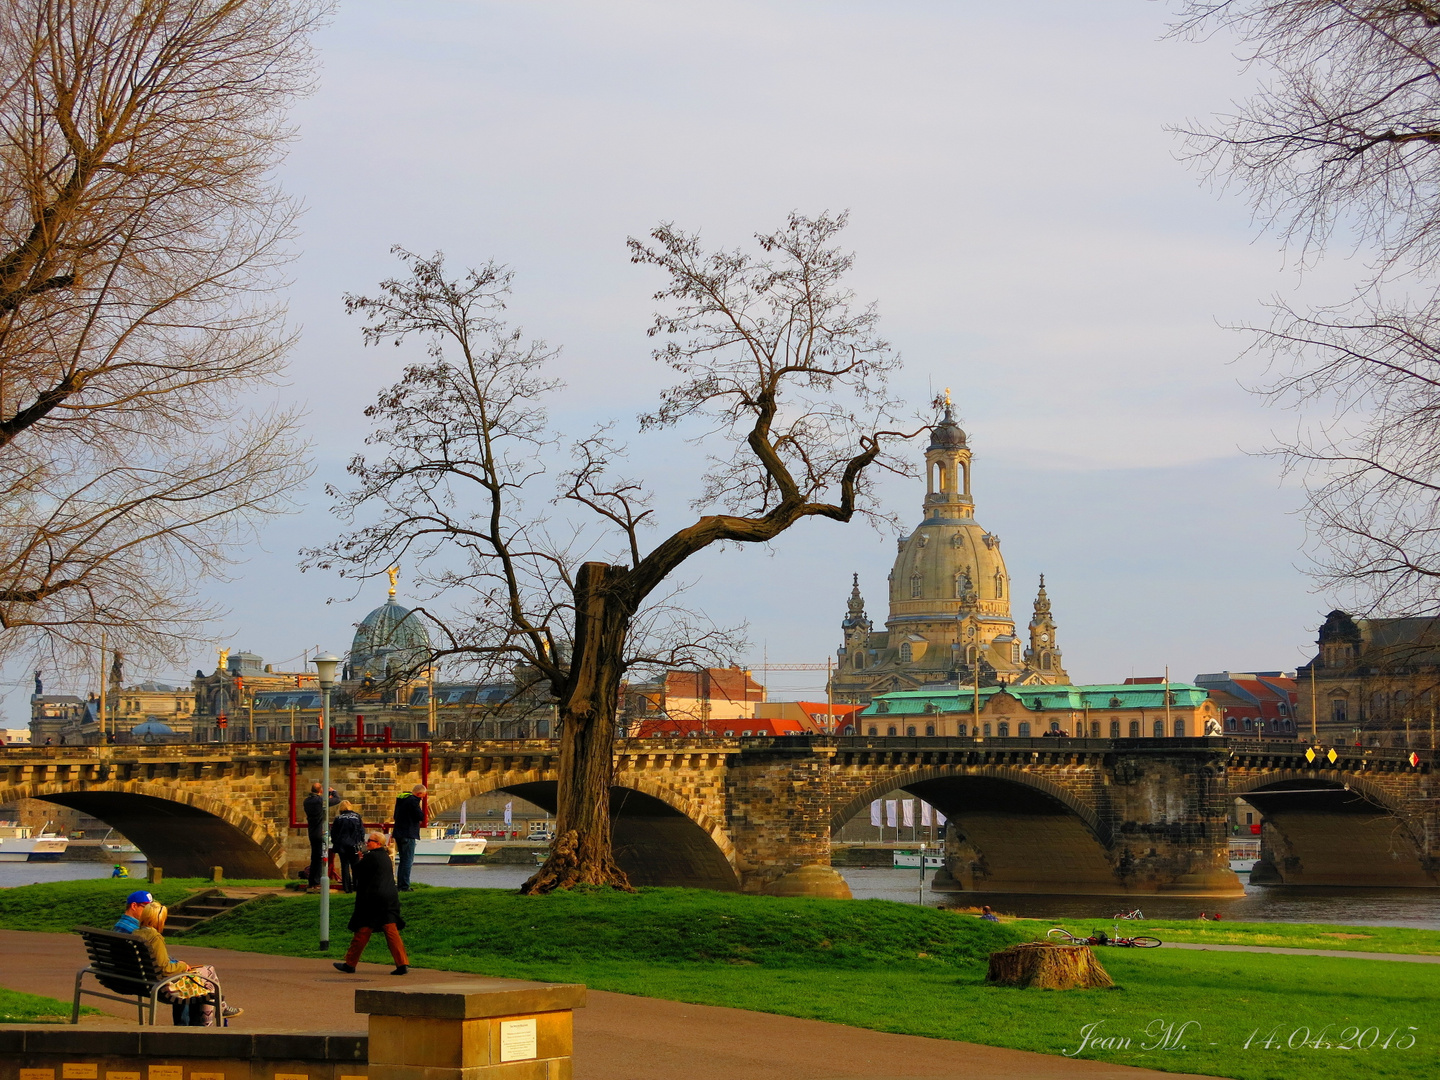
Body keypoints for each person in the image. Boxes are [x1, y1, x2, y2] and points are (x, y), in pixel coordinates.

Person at [131, 901, 241, 1025]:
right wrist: (183, 966)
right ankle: (215, 1016)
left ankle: (220, 1009)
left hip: (145, 983)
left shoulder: (136, 934)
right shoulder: (155, 938)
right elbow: (165, 968)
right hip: (165, 987)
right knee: (209, 973)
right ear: (159, 919)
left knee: (206, 986)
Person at [333, 832, 408, 976]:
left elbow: (358, 872)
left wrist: (356, 858)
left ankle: (350, 963)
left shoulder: (371, 857)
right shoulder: (384, 857)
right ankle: (402, 963)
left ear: (378, 843)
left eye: (370, 841)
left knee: (362, 930)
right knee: (390, 930)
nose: (367, 843)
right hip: (389, 897)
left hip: (373, 899)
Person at [303, 781, 339, 892]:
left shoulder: (307, 801)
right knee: (320, 858)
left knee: (315, 857)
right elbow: (337, 800)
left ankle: (312, 881)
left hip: (312, 832)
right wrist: (333, 791)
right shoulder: (320, 801)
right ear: (320, 791)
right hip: (321, 832)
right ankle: (317, 881)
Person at [390, 784, 426, 891]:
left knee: (402, 860)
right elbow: (420, 816)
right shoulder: (413, 801)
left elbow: (395, 816)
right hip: (409, 834)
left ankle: (400, 885)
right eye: (422, 796)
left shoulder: (401, 800)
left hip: (399, 833)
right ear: (419, 793)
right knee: (408, 861)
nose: (422, 798)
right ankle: (405, 886)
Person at [330, 800, 366, 893]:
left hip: (342, 845)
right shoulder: (357, 817)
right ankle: (357, 886)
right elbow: (361, 831)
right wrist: (361, 842)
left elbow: (333, 833)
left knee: (344, 866)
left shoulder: (338, 818)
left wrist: (336, 842)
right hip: (354, 845)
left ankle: (347, 887)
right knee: (355, 866)